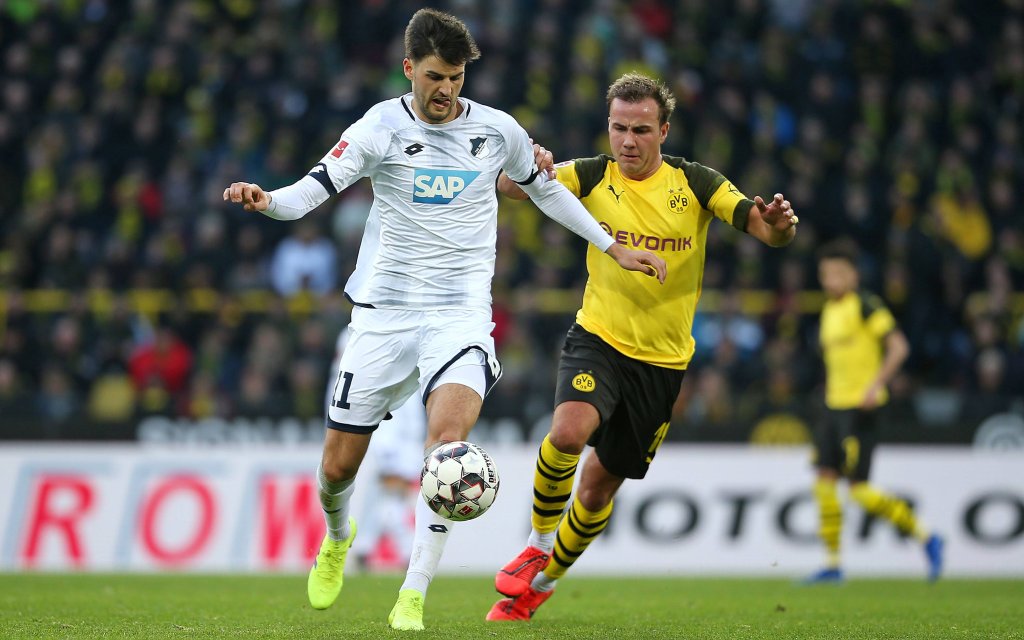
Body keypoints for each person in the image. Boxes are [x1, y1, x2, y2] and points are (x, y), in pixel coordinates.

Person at [223, 9, 666, 632]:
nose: (446, 90)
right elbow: (311, 191)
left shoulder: (497, 131)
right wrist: (266, 201)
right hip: (383, 316)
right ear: (409, 69)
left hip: (459, 317)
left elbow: (545, 191)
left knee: (446, 454)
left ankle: (413, 592)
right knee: (337, 469)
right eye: (434, 76)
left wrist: (612, 245)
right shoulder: (379, 126)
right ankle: (336, 537)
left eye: (456, 78)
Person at [486, 72, 799, 622]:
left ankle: (544, 582)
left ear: (664, 131)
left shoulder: (696, 183)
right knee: (568, 430)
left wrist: (780, 227)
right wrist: (527, 165)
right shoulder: (589, 175)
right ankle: (536, 542)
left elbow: (765, 230)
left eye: (640, 130)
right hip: (598, 338)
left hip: (662, 362)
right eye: (617, 128)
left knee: (599, 487)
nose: (627, 141)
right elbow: (512, 189)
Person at [804, 238, 943, 583]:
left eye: (837, 273)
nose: (830, 280)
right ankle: (833, 565)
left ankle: (927, 536)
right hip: (832, 407)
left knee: (859, 491)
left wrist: (875, 385)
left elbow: (899, 347)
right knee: (823, 484)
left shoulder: (866, 305)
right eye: (825, 274)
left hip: (861, 409)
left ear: (853, 275)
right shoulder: (828, 310)